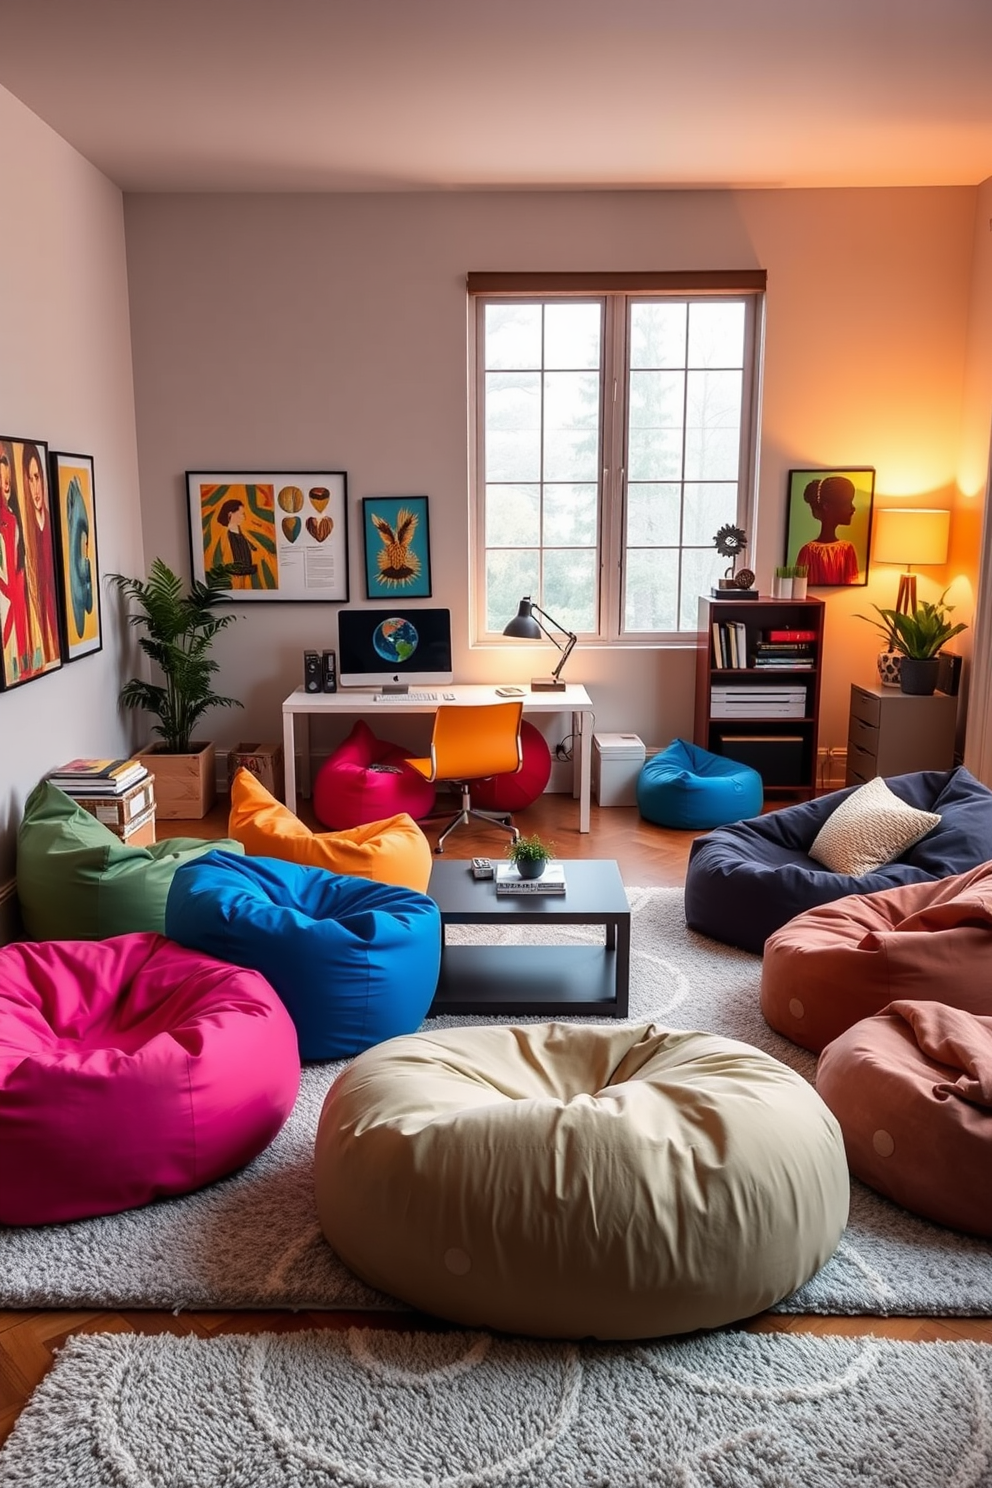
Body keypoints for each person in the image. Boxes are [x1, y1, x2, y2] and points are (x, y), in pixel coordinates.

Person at [21, 440, 60, 667]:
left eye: (38, 478)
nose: (36, 488)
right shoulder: (29, 532)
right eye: (31, 478)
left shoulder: (50, 524)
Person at [0, 441, 32, 681]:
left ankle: (24, 661)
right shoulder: (6, 522)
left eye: (7, 483)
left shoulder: (13, 519)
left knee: (21, 624)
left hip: (18, 579)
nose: (5, 489)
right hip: (9, 583)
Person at [795, 475, 860, 585]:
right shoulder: (808, 551)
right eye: (847, 502)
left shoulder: (847, 549)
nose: (853, 508)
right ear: (827, 506)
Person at [216, 497, 258, 587]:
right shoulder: (222, 537)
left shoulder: (245, 535)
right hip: (232, 582)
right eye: (241, 514)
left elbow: (256, 553)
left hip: (248, 580)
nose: (244, 517)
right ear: (230, 514)